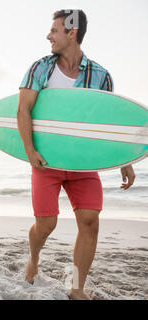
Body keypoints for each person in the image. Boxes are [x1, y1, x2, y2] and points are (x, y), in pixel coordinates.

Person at [17, 9, 136, 300]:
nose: (49, 35)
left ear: (72, 33)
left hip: (84, 163)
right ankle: (33, 258)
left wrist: (125, 161)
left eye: (54, 30)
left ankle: (77, 288)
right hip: (46, 161)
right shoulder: (40, 69)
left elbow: (109, 125)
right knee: (46, 225)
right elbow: (23, 110)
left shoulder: (100, 76)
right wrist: (30, 150)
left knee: (90, 221)